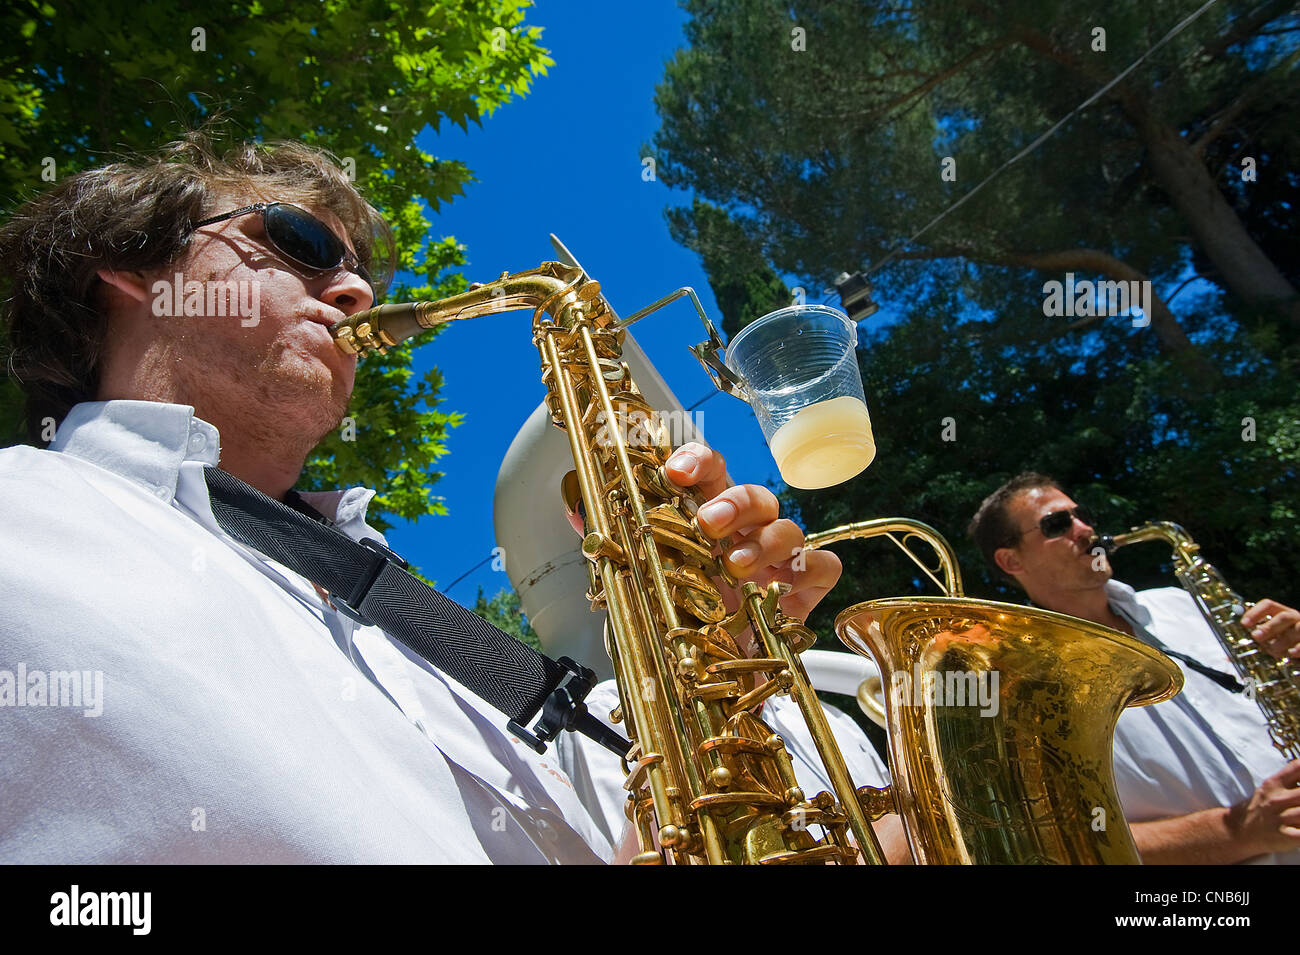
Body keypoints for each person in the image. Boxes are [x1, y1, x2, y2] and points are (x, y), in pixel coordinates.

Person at [0, 135, 844, 863]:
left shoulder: (408, 615)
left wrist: (727, 661)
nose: (356, 291)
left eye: (358, 269)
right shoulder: (25, 524)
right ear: (128, 271)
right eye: (297, 241)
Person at [968, 472, 1300, 864]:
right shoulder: (1025, 693)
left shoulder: (1182, 603)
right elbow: (1069, 844)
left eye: (1082, 515)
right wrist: (1239, 832)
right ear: (1011, 560)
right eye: (1057, 524)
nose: (1085, 529)